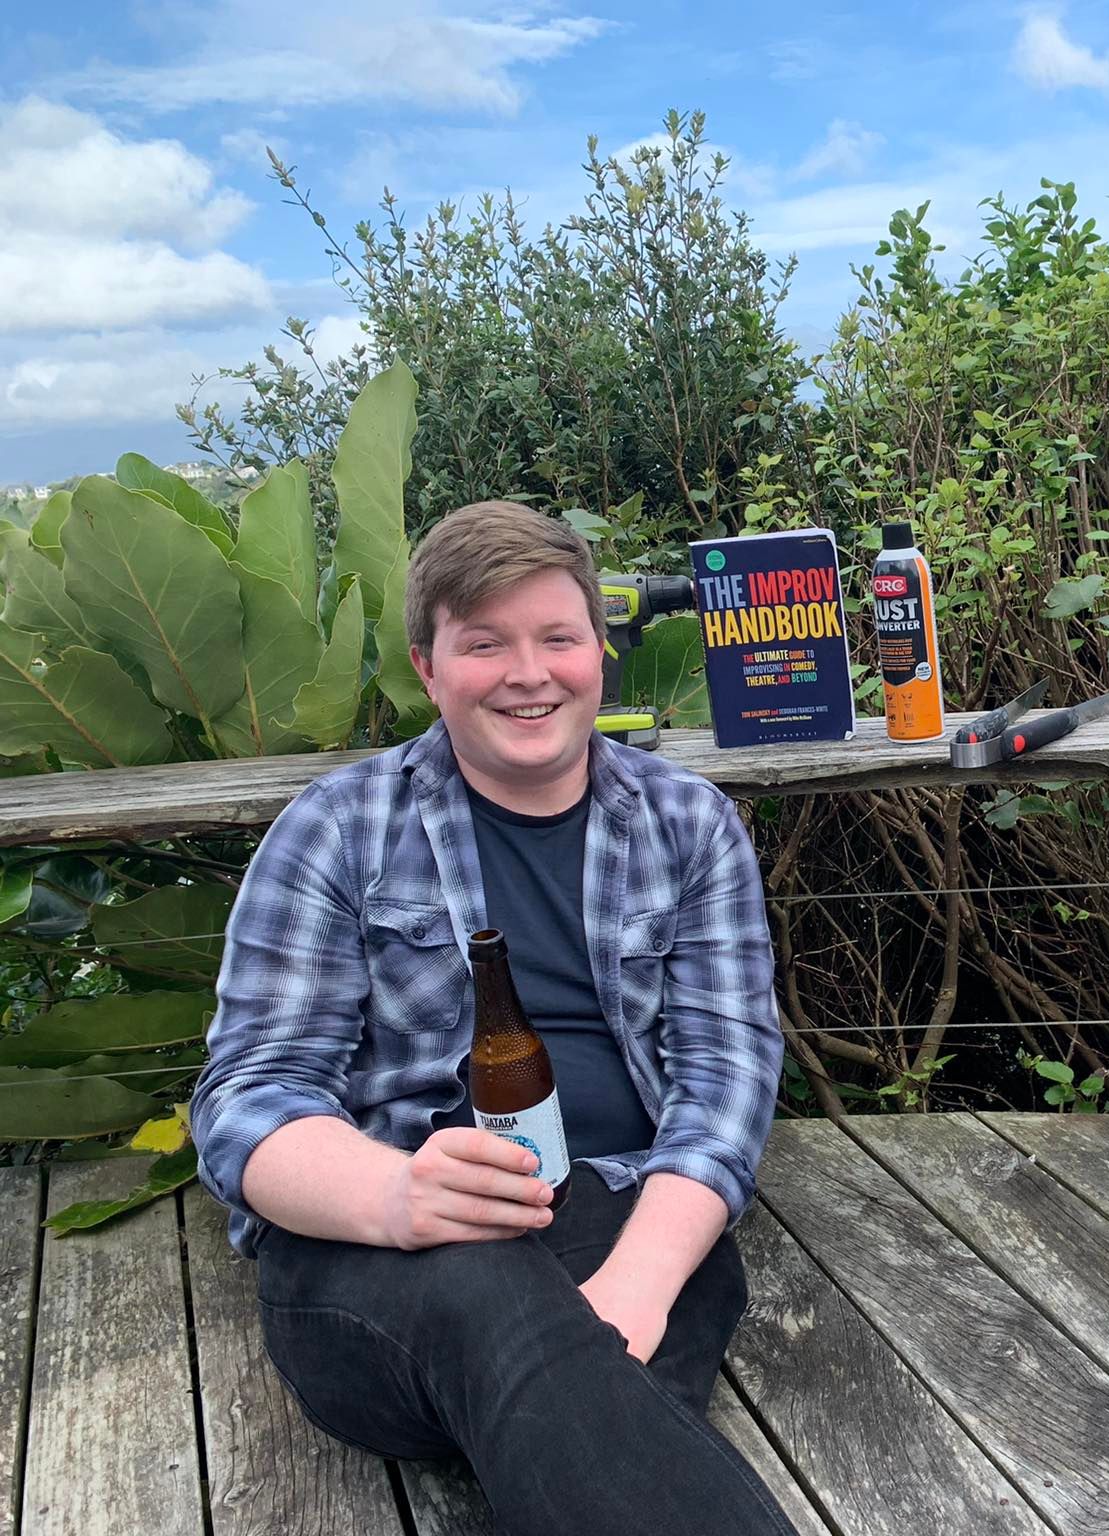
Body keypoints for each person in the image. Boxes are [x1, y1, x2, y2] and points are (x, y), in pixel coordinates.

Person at [192, 500, 799, 1536]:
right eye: (484, 645)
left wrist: (644, 1280)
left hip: (623, 1219)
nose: (529, 673)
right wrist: (395, 1196)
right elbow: (250, 1095)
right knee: (498, 1307)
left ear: (598, 654)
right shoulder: (335, 829)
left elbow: (728, 1073)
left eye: (557, 638)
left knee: (591, 1361)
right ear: (428, 669)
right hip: (383, 1243)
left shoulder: (687, 824)